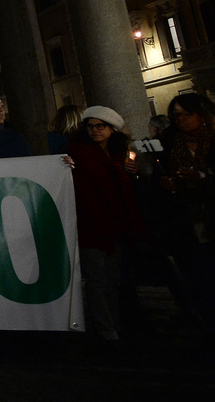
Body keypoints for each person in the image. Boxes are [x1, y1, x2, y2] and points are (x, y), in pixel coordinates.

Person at [68, 105, 144, 342]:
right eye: (90, 126)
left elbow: (128, 190)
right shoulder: (80, 153)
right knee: (97, 280)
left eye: (100, 126)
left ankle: (115, 325)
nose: (94, 131)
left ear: (112, 129)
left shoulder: (121, 154)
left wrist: (135, 173)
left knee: (113, 279)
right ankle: (106, 329)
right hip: (93, 225)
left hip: (118, 224)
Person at [153, 92, 215, 334]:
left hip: (213, 218)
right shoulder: (169, 142)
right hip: (183, 222)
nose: (181, 119)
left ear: (202, 116)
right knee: (195, 278)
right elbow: (156, 174)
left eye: (187, 114)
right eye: (176, 115)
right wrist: (164, 182)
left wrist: (204, 178)